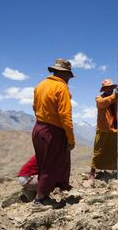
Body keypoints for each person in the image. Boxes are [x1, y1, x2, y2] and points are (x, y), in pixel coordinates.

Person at [32, 58, 75, 210]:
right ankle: (39, 200)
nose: (69, 80)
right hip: (53, 131)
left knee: (43, 163)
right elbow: (65, 116)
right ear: (64, 74)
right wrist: (71, 139)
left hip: (38, 128)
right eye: (69, 76)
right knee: (53, 164)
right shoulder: (61, 88)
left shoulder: (40, 85)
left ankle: (45, 192)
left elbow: (34, 106)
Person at [89, 79, 118, 180]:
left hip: (115, 129)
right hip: (103, 129)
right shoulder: (99, 98)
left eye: (111, 87)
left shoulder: (116, 98)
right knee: (98, 152)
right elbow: (102, 104)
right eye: (107, 88)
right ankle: (92, 171)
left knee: (117, 150)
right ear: (104, 89)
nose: (110, 89)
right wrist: (114, 96)